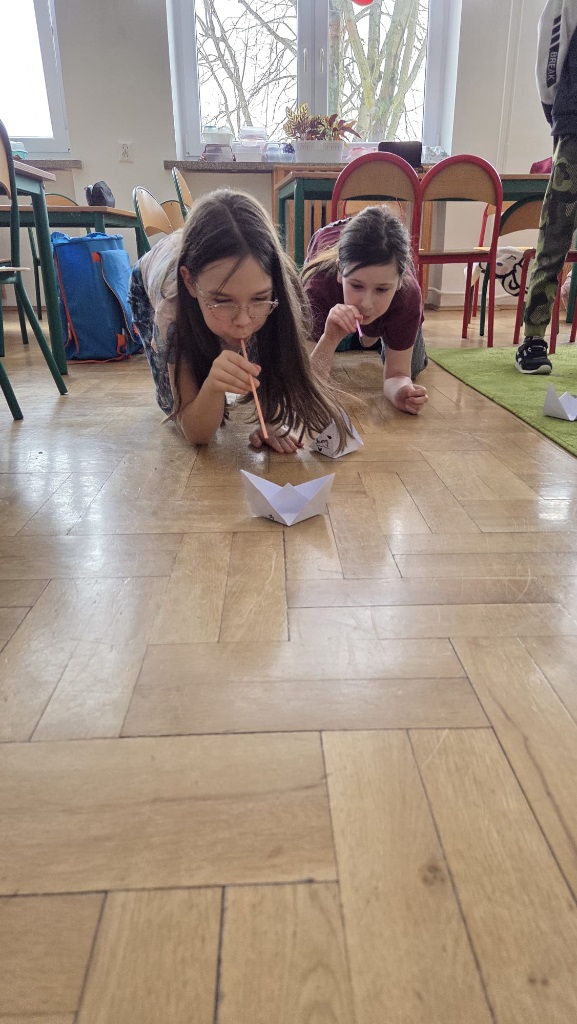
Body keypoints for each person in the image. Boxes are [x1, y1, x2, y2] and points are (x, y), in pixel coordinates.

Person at [129, 188, 352, 452]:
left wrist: (271, 419)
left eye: (260, 298)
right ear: (189, 282)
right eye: (222, 301)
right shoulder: (171, 311)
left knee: (253, 333)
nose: (244, 321)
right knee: (172, 403)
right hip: (151, 282)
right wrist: (212, 388)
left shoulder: (283, 288)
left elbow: (277, 364)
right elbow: (196, 433)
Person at [301, 205, 428, 415]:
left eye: (381, 289)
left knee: (413, 368)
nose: (366, 304)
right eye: (356, 286)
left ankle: (373, 333)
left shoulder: (407, 294)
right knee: (319, 353)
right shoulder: (318, 288)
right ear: (340, 272)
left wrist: (400, 391)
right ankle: (364, 335)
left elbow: (397, 375)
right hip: (329, 240)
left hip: (399, 286)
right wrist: (329, 339)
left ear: (399, 282)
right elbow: (305, 384)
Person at [516, 0, 577, 374]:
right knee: (554, 235)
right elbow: (551, 45)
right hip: (574, 129)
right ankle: (534, 338)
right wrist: (558, 113)